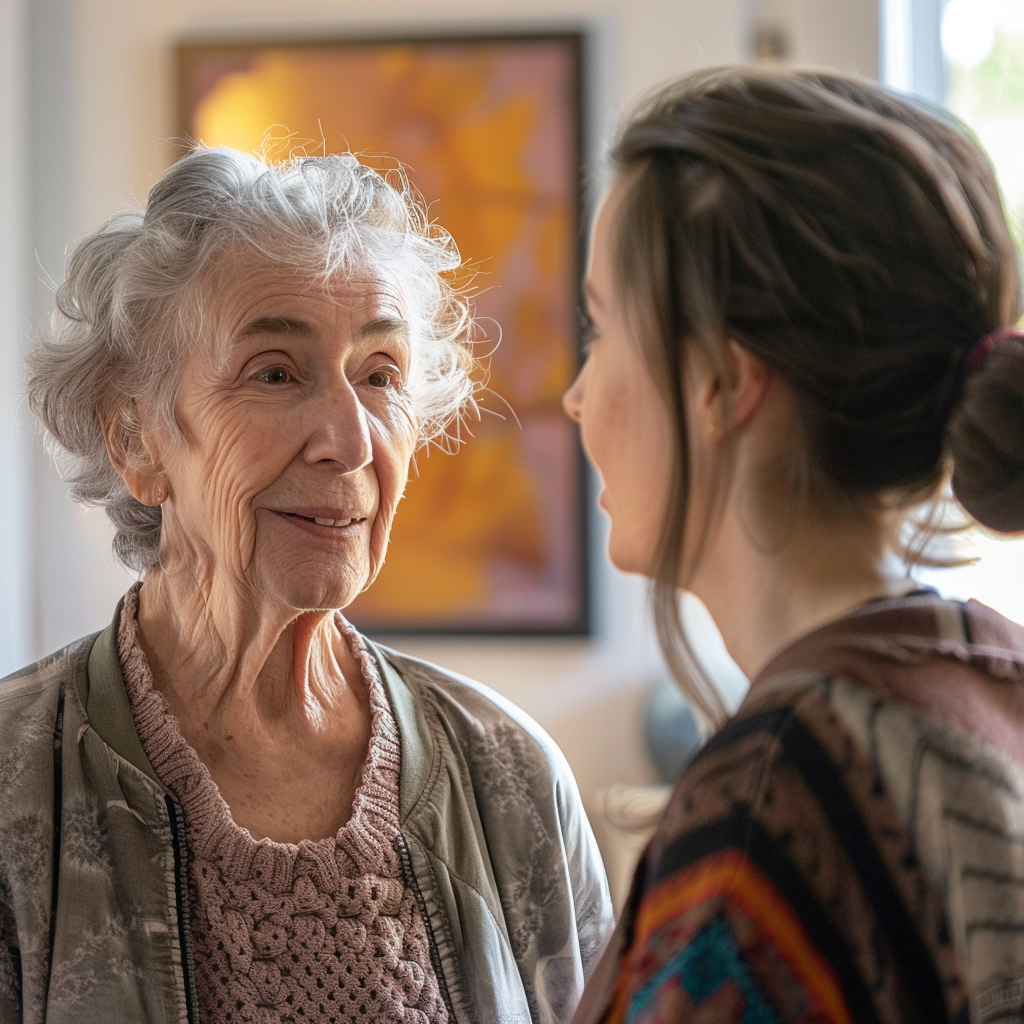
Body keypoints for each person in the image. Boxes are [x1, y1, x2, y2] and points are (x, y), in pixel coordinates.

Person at [1, 146, 611, 1024]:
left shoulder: (509, 774)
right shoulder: (17, 783)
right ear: (136, 437)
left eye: (380, 376)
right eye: (276, 373)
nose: (350, 440)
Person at [563, 66, 1024, 1024]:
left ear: (722, 386)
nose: (576, 398)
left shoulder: (768, 811)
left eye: (601, 330)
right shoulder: (993, 684)